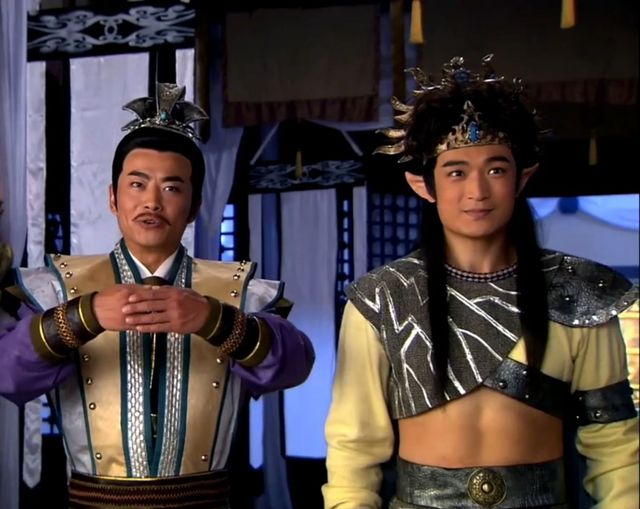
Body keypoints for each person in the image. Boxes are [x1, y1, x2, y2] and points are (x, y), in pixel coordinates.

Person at [322, 55, 638, 509]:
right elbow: (353, 446)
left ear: (521, 179)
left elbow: (615, 444)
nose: (477, 191)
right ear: (424, 185)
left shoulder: (578, 291)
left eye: (496, 169)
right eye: (456, 172)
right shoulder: (383, 298)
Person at [0, 83, 314, 509]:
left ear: (195, 205)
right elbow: (8, 375)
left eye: (172, 187)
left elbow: (295, 364)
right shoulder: (59, 287)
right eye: (137, 184)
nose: (151, 201)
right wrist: (83, 315)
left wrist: (213, 319)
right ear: (112, 198)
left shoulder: (237, 291)